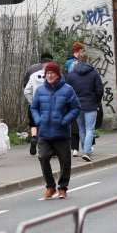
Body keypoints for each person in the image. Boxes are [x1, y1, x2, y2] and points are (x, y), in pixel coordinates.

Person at [30, 62, 81, 200]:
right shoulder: (40, 90)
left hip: (62, 133)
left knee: (65, 161)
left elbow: (76, 108)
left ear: (58, 75)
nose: (49, 75)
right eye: (47, 73)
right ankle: (50, 186)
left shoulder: (67, 89)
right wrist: (39, 120)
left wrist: (64, 121)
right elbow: (33, 108)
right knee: (43, 157)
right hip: (45, 132)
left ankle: (63, 188)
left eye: (52, 73)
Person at [65, 55, 102, 161]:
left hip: (77, 105)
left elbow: (67, 91)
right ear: (87, 61)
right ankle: (86, 151)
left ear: (78, 61)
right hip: (91, 104)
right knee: (90, 128)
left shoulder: (71, 74)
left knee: (81, 129)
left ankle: (85, 150)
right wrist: (97, 101)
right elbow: (99, 89)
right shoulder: (94, 73)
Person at [23, 52, 54, 156]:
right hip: (49, 105)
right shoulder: (53, 75)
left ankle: (34, 136)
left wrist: (32, 102)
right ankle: (47, 148)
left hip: (35, 105)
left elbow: (26, 90)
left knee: (33, 123)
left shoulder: (32, 73)